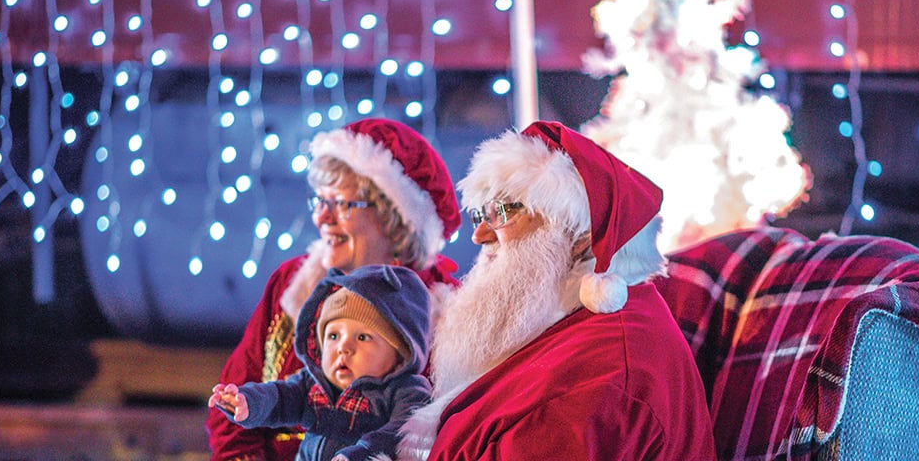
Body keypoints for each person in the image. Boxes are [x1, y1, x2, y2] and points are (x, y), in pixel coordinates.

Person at [397, 120, 715, 461]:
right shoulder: (554, 327)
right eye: (481, 215)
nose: (480, 236)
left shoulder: (595, 383)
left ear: (576, 235)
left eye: (501, 212)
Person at [209, 118, 462, 461]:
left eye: (341, 204)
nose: (322, 218)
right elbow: (236, 415)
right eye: (320, 201)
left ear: (395, 216)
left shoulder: (447, 314)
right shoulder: (292, 282)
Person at [210, 264, 432, 461]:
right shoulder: (312, 384)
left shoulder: (407, 392)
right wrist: (248, 402)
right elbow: (279, 398)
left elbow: (399, 433)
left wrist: (361, 453)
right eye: (333, 336)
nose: (343, 347)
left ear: (400, 353)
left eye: (363, 337)